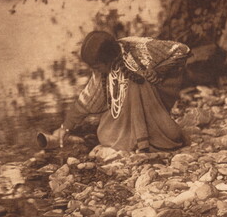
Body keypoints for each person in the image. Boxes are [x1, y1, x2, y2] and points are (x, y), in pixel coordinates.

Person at [53, 31, 191, 152]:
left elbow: (182, 50)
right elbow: (88, 100)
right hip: (134, 114)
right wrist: (65, 127)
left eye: (96, 66)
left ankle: (144, 139)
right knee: (104, 134)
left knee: (135, 80)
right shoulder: (102, 70)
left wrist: (158, 72)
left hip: (153, 107)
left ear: (108, 60)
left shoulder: (140, 46)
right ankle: (138, 137)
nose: (94, 70)